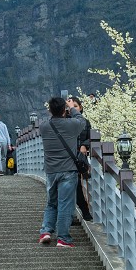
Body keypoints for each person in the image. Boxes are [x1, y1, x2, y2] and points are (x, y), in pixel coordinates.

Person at [38, 95, 87, 248]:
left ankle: (46, 231)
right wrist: (72, 107)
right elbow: (82, 121)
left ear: (50, 110)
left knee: (51, 203)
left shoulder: (44, 126)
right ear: (64, 110)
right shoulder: (71, 124)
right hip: (68, 170)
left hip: (51, 171)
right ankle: (63, 238)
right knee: (65, 204)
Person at [67, 95, 93, 223]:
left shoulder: (85, 122)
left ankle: (81, 212)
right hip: (68, 159)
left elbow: (91, 137)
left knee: (77, 184)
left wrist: (85, 145)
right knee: (74, 185)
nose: (73, 109)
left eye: (75, 107)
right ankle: (84, 212)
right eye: (71, 107)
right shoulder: (64, 122)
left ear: (81, 107)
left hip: (80, 158)